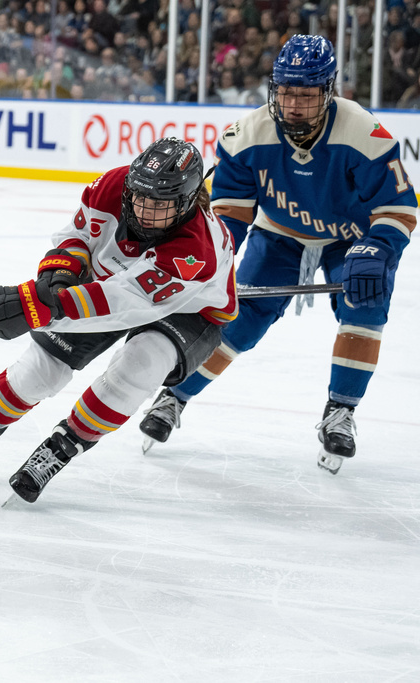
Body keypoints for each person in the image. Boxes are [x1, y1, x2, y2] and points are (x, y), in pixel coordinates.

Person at [139, 35, 417, 475]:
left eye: (306, 95)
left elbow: (399, 207)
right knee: (237, 320)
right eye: (286, 93)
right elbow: (229, 217)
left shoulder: (364, 133)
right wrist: (213, 263)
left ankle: (341, 411)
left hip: (352, 239)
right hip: (280, 235)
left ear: (329, 92)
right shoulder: (246, 136)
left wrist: (378, 248)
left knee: (366, 302)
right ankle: (174, 396)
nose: (294, 106)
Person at [0, 138, 237, 503]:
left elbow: (124, 302)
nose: (145, 209)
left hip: (190, 310)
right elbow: (78, 235)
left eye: (160, 204)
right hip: (119, 283)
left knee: (141, 364)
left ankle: (63, 446)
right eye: (141, 197)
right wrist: (58, 279)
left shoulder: (196, 251)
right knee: (39, 369)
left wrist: (36, 308)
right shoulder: (115, 185)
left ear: (187, 202)